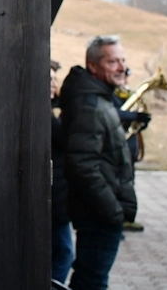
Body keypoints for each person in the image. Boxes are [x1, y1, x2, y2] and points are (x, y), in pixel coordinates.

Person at [60, 36, 138, 290]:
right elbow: (83, 165)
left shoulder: (99, 98)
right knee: (91, 281)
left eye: (122, 61)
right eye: (112, 62)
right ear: (93, 66)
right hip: (98, 212)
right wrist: (112, 209)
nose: (122, 68)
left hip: (101, 211)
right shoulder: (90, 105)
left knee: (91, 277)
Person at [113, 70, 151, 232]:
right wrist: (133, 116)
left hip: (130, 146)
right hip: (117, 147)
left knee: (129, 182)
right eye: (120, 76)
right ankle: (121, 217)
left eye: (125, 76)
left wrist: (142, 120)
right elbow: (113, 113)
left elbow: (134, 122)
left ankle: (128, 217)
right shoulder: (110, 95)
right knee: (120, 184)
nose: (124, 79)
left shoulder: (128, 94)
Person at [50, 61, 74, 285]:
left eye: (54, 79)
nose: (53, 84)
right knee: (65, 253)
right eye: (47, 79)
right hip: (54, 193)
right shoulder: (45, 117)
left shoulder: (51, 110)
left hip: (57, 191)